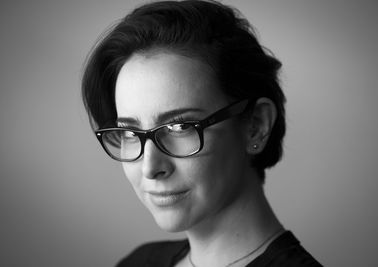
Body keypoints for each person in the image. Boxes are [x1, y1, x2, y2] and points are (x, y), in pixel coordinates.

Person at [81, 0, 322, 266]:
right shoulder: (139, 263)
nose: (150, 168)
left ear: (256, 126)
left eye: (180, 127)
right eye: (129, 132)